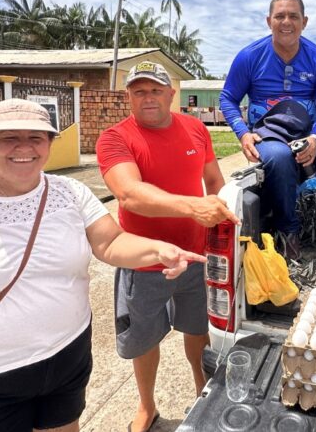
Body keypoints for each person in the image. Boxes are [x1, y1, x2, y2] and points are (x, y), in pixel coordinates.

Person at [0, 98, 204, 432]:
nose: (24, 147)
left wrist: (158, 250)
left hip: (66, 358)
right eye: (9, 137)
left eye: (36, 137)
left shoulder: (70, 192)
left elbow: (110, 242)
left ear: (49, 144)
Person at [96, 61, 239, 432]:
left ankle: (202, 393)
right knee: (144, 339)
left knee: (199, 329)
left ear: (171, 94)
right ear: (128, 96)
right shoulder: (115, 138)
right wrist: (193, 206)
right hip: (144, 260)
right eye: (139, 91)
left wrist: (221, 220)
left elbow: (214, 180)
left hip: (196, 255)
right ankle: (147, 406)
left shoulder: (195, 129)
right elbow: (129, 194)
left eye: (156, 90)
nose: (148, 97)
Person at [219, 0, 316, 270]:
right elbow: (228, 98)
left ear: (304, 22)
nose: (287, 22)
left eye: (293, 16)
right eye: (280, 16)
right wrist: (243, 133)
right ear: (268, 21)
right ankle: (288, 233)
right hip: (269, 132)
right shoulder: (249, 57)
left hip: (310, 130)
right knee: (279, 157)